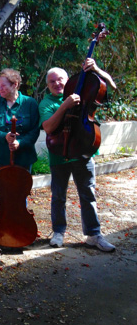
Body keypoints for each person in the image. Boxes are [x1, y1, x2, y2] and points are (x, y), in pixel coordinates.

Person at [38, 58, 117, 252]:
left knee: (88, 194)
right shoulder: (46, 103)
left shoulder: (81, 89)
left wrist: (97, 69)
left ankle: (94, 235)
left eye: (60, 79)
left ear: (68, 79)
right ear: (47, 86)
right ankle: (58, 232)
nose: (57, 84)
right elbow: (48, 127)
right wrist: (64, 106)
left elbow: (112, 88)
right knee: (58, 196)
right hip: (60, 153)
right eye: (52, 81)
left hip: (83, 149)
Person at [0, 68, 40, 173]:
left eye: (3, 86)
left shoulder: (30, 103)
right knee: (2, 189)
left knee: (22, 189)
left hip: (24, 158)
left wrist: (19, 143)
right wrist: (4, 136)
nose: (0, 89)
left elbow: (35, 131)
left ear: (15, 84)